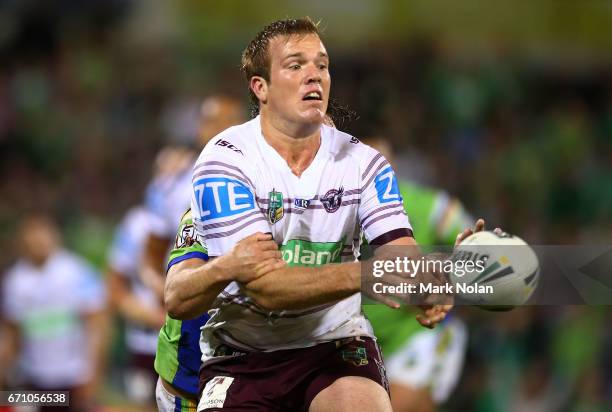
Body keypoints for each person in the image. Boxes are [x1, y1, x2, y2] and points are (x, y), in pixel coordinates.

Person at [164, 18, 482, 411]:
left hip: (335, 344)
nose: (313, 74)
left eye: (322, 64)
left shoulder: (365, 164)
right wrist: (370, 276)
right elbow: (267, 289)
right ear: (260, 87)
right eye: (295, 65)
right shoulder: (226, 160)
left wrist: (427, 281)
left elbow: (401, 254)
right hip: (245, 353)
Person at [144, 96, 247, 409]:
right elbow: (150, 256)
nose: (220, 130)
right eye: (212, 122)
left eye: (229, 123)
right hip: (187, 321)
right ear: (200, 129)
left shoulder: (261, 176)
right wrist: (165, 295)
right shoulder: (172, 184)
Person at [362, 136, 472, 412]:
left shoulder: (431, 207)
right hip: (361, 340)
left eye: (383, 167)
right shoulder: (332, 214)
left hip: (415, 332)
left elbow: (475, 249)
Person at [156, 209, 284, 412]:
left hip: (260, 372)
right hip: (188, 377)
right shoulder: (202, 212)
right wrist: (230, 265)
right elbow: (175, 296)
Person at [0, 214, 108, 411]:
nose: (38, 243)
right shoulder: (14, 281)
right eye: (31, 239)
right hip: (31, 377)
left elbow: (97, 325)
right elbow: (11, 334)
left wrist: (93, 373)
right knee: (9, 403)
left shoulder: (77, 271)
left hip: (72, 377)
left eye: (43, 236)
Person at [106, 206, 166, 409]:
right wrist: (147, 315)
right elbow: (114, 287)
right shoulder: (136, 223)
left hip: (191, 342)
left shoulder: (200, 212)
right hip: (145, 344)